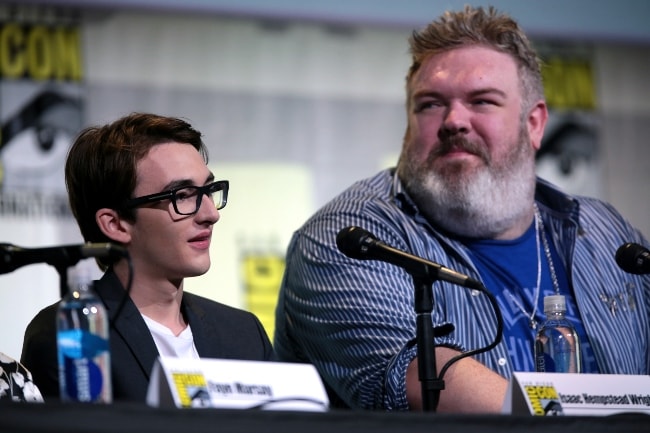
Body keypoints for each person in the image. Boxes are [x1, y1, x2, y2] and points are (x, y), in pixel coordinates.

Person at [273, 6, 650, 413]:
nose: (454, 121)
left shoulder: (606, 233)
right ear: (408, 122)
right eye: (430, 104)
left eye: (482, 101)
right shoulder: (350, 238)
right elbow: (430, 385)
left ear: (535, 124)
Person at [21, 113, 275, 402]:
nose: (210, 214)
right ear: (115, 224)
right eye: (182, 195)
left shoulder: (243, 334)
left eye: (208, 191)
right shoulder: (74, 335)